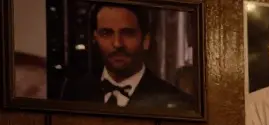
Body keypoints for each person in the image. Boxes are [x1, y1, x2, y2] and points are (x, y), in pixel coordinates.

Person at [60, 3, 194, 111]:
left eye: (128, 33)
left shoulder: (175, 101)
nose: (117, 43)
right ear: (95, 38)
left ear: (146, 41)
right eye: (106, 33)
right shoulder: (74, 92)